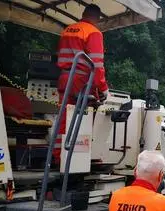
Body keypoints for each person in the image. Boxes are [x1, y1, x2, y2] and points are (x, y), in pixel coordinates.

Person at [53, 4, 109, 165]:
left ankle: (58, 156)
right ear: (97, 18)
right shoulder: (93, 32)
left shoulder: (68, 30)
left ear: (83, 14)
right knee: (85, 118)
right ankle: (79, 157)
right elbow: (97, 63)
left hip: (65, 78)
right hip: (82, 80)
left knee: (64, 118)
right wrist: (103, 88)